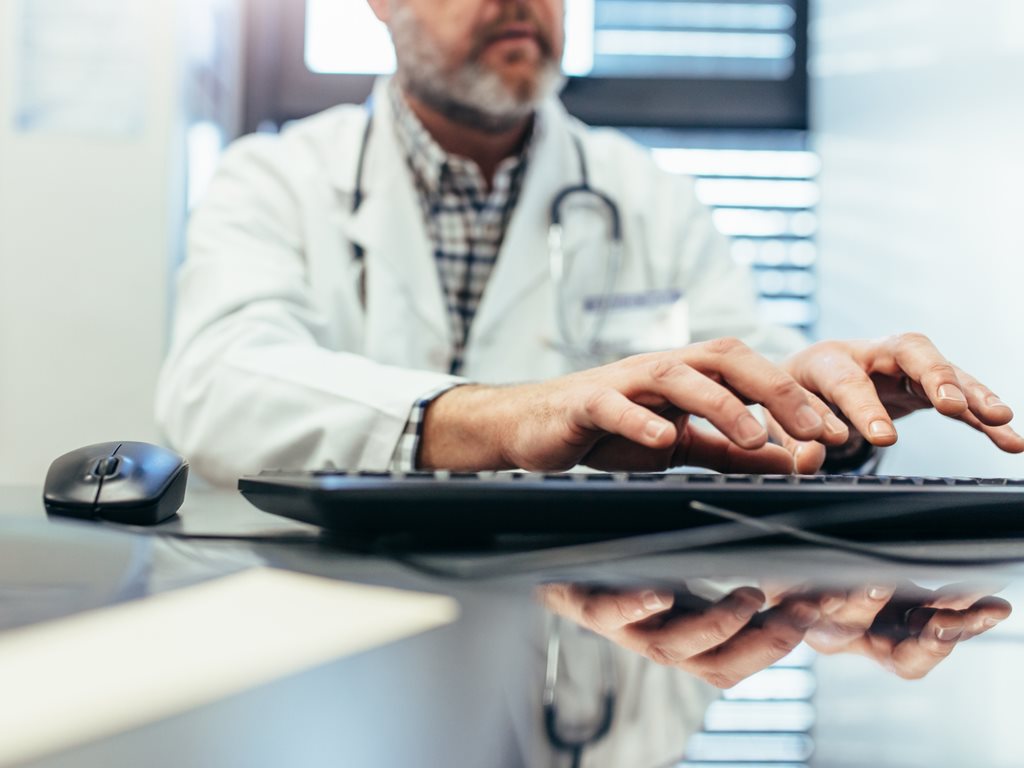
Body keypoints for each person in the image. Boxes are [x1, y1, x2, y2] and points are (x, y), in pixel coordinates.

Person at [155, 0, 1021, 765]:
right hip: (334, 632)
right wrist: (499, 419)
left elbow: (756, 373)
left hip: (605, 633)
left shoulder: (648, 199)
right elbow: (217, 377)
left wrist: (821, 408)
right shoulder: (274, 179)